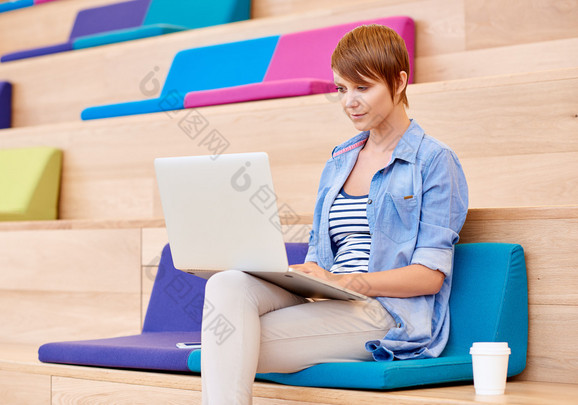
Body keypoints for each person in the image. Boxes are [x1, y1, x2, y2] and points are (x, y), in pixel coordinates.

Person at [201, 24, 469, 405]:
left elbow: (428, 277)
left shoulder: (435, 161)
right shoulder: (339, 159)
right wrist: (305, 276)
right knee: (227, 284)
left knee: (226, 337)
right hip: (326, 301)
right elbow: (319, 255)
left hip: (384, 313)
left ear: (399, 81)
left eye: (363, 87)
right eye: (342, 89)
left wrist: (346, 282)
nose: (349, 102)